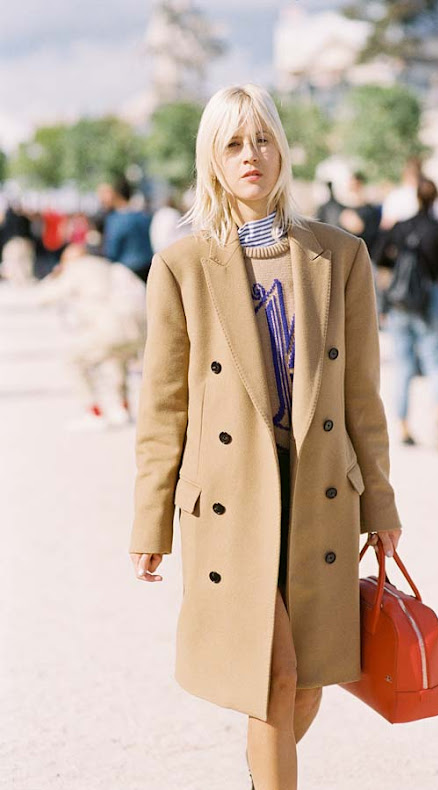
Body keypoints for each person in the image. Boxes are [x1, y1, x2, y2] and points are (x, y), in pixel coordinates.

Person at [128, 84, 402, 790]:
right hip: (230, 499)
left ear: (281, 148)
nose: (250, 155)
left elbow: (362, 397)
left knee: (306, 682)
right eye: (232, 143)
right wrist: (149, 519)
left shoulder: (339, 255)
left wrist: (381, 505)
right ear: (211, 160)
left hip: (319, 491)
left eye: (262, 139)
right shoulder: (183, 265)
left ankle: (261, 772)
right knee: (274, 674)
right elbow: (163, 407)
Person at [375, 178, 438, 450]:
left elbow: (379, 256)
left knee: (402, 365)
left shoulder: (401, 226)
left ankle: (402, 425)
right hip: (430, 298)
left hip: (401, 301)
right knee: (436, 362)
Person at [36, 243, 146, 430]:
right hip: (139, 329)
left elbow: (43, 297)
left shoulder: (76, 269)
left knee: (73, 360)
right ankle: (123, 408)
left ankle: (94, 412)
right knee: (116, 357)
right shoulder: (113, 266)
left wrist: (54, 275)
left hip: (109, 329)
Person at [102, 176, 153, 282]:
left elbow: (112, 250)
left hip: (127, 271)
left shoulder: (116, 219)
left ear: (115, 195)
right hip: (148, 265)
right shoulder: (143, 215)